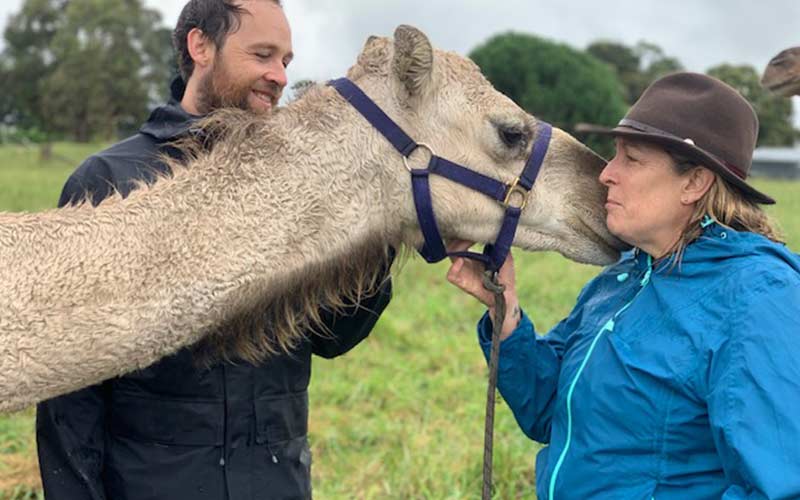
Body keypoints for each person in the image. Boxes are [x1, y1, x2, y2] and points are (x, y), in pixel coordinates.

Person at [36, 1, 392, 499]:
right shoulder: (110, 182)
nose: (279, 76)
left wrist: (375, 233)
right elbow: (70, 392)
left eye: (285, 60)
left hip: (275, 484)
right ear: (201, 46)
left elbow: (334, 336)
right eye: (262, 54)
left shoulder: (294, 186)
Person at [447, 72, 800, 499]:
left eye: (631, 159)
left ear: (694, 183)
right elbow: (549, 411)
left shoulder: (758, 297)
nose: (606, 174)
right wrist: (505, 313)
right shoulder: (622, 278)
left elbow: (781, 486)